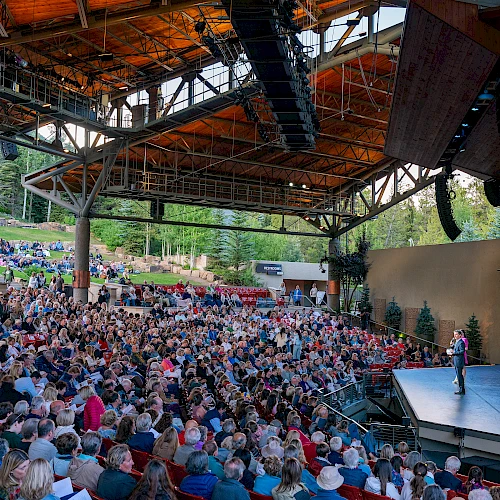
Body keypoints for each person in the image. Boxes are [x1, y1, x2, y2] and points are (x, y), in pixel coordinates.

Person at [451, 330, 466, 395]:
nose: (455, 336)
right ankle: (461, 388)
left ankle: (461, 389)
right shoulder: (456, 342)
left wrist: (454, 352)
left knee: (459, 375)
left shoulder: (461, 342)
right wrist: (452, 346)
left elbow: (462, 351)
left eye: (456, 334)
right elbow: (455, 348)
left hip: (459, 361)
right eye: (454, 334)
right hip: (456, 360)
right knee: (458, 374)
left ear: (460, 335)